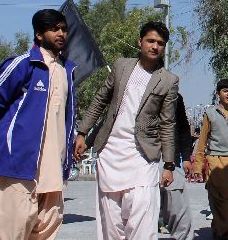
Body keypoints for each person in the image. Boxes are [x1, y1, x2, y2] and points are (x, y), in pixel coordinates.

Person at [0, 9, 76, 240]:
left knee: (45, 230)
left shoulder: (67, 70)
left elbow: (67, 117)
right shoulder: (23, 64)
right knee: (10, 232)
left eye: (63, 29)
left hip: (53, 171)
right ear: (39, 34)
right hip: (17, 164)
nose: (61, 33)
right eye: (55, 29)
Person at [75, 21, 179, 240]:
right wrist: (82, 132)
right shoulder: (122, 66)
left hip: (143, 156)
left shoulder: (169, 80)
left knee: (141, 218)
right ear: (139, 42)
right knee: (111, 224)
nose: (155, 46)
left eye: (160, 43)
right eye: (150, 41)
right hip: (110, 152)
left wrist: (169, 165)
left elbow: (167, 123)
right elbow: (100, 100)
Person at [192, 79, 228, 240]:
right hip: (215, 161)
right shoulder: (210, 113)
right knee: (219, 199)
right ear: (218, 93)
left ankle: (219, 230)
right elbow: (202, 142)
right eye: (225, 91)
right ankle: (226, 233)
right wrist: (197, 167)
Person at [160, 93, 194, 240]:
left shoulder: (175, 96)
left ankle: (182, 236)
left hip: (171, 160)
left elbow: (183, 128)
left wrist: (186, 157)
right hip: (145, 158)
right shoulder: (136, 90)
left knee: (177, 202)